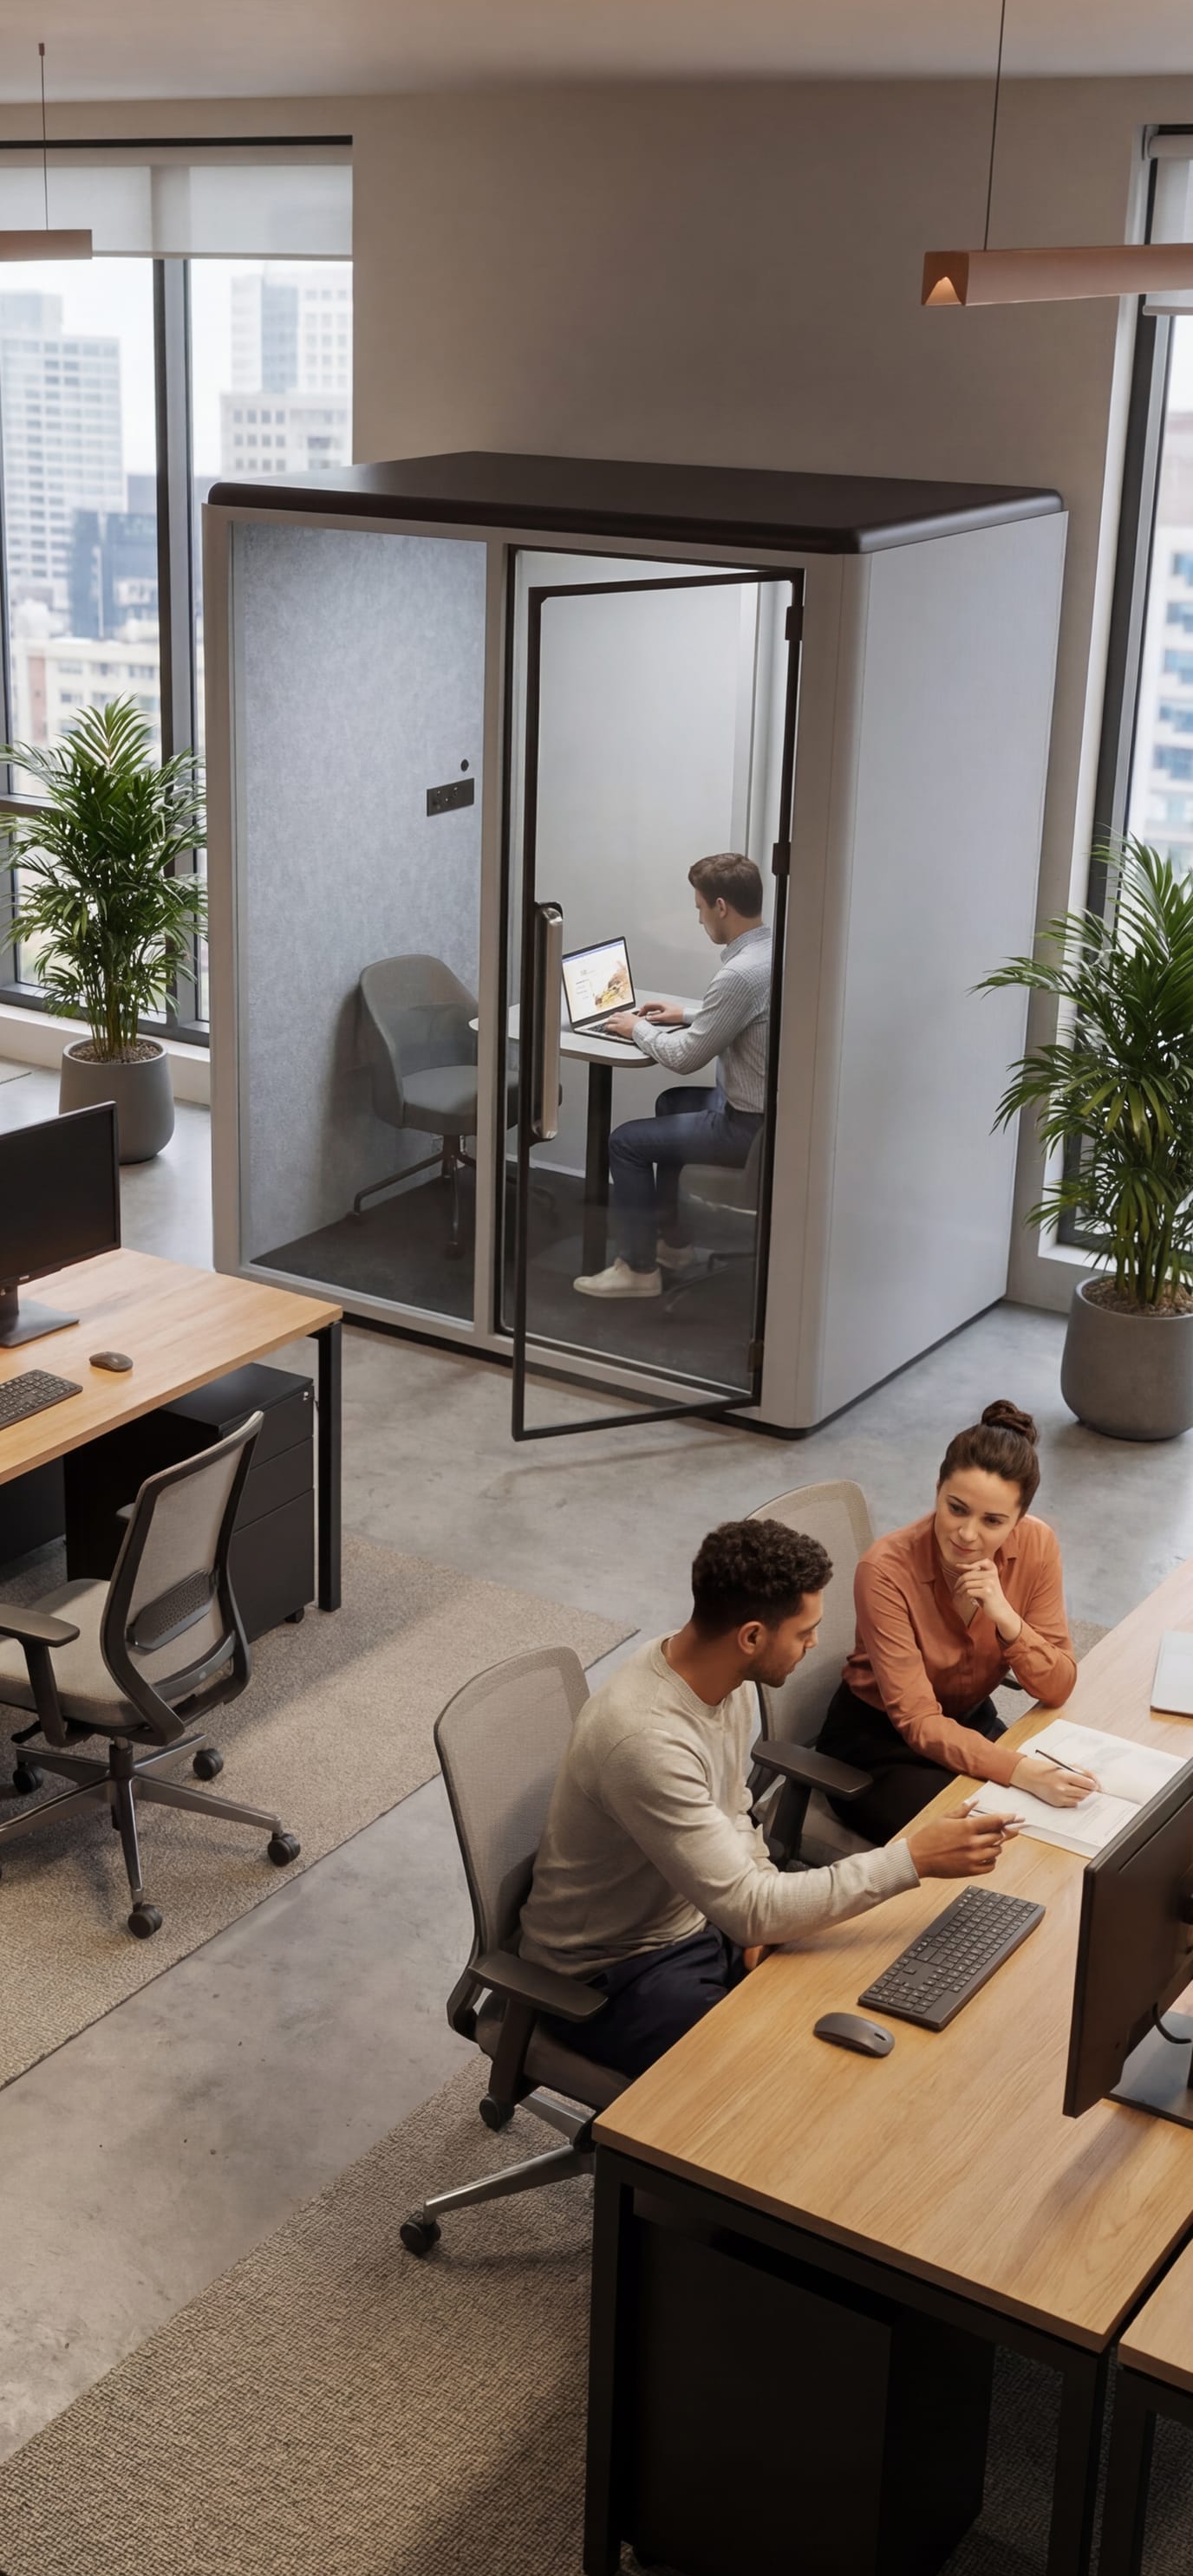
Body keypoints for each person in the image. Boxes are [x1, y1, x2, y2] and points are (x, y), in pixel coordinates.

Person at [518, 1517, 1019, 2078]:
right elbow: (751, 1905)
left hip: (700, 1920)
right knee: (781, 2076)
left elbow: (733, 1813)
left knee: (855, 1999)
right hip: (612, 1974)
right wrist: (914, 1859)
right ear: (752, 1636)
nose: (815, 1644)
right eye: (805, 1631)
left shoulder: (717, 1681)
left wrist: (756, 1928)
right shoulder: (646, 1740)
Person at [813, 1400, 1096, 1843]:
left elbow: (1057, 1685)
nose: (967, 1534)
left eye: (993, 1521)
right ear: (938, 1489)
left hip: (969, 1722)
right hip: (879, 1745)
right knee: (993, 1840)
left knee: (1069, 1818)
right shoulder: (885, 1570)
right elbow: (920, 1721)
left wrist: (1005, 1618)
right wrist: (1020, 1771)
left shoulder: (1037, 1545)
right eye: (957, 1508)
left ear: (1018, 1520)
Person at [575, 850, 771, 1304]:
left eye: (700, 907)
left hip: (748, 1128)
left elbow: (685, 1057)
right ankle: (675, 1243)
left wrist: (636, 1028)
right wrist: (685, 1013)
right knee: (671, 1104)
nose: (699, 918)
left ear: (721, 906)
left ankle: (638, 1270)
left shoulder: (739, 974)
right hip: (769, 1115)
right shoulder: (770, 951)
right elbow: (748, 1013)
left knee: (626, 1142)